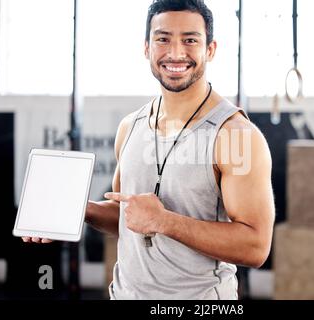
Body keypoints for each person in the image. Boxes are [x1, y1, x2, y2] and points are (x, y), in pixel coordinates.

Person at [23, 0, 275, 300]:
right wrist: (77, 210)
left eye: (190, 40)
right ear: (147, 48)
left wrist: (165, 221)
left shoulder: (235, 135)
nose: (176, 53)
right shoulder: (131, 126)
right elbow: (128, 216)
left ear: (210, 49)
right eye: (163, 39)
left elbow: (256, 247)